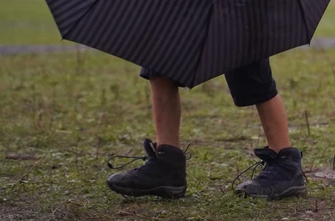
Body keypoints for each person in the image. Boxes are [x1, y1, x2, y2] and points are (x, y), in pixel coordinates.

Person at [106, 60, 306, 200]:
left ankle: (285, 165)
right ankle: (167, 165)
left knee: (250, 60)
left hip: (237, 2)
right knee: (160, 57)